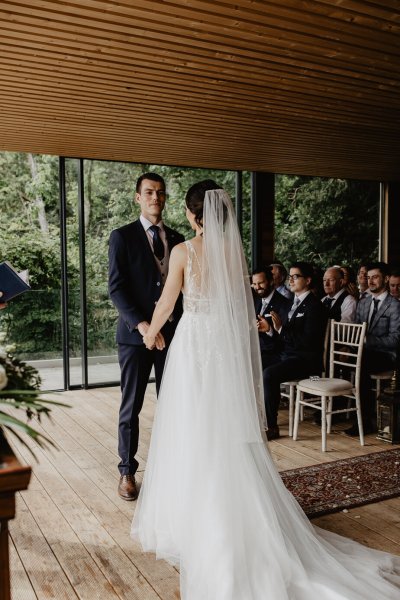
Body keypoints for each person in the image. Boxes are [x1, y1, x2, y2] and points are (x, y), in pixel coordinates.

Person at [131, 181, 400, 599]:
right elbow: (242, 309)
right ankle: (233, 513)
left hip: (195, 344)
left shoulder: (185, 251)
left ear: (191, 214)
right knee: (222, 429)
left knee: (191, 426)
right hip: (222, 346)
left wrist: (149, 337)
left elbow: (167, 305)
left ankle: (195, 522)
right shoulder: (233, 253)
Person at [108, 172, 185, 501]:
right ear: (138, 198)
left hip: (172, 337)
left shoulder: (180, 239)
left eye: (160, 192)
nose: (156, 197)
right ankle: (127, 470)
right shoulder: (122, 237)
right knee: (132, 406)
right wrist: (143, 327)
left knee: (174, 403)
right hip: (135, 337)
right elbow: (116, 288)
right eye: (149, 192)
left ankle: (173, 468)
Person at [262, 261, 328, 440]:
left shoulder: (315, 306)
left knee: (269, 374)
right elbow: (283, 334)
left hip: (305, 360)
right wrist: (270, 328)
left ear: (307, 280)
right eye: (290, 276)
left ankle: (272, 426)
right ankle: (256, 418)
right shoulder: (293, 302)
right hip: (288, 355)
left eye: (295, 276)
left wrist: (281, 329)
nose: (290, 280)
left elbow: (308, 341)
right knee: (254, 361)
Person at [345, 262, 400, 436]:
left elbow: (395, 339)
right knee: (345, 359)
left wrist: (368, 340)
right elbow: (356, 329)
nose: (370, 281)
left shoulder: (395, 305)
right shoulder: (363, 302)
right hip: (364, 352)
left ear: (385, 278)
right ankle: (341, 410)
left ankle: (363, 421)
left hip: (387, 355)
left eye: (375, 277)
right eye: (368, 278)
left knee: (361, 363)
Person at [251, 265, 290, 367]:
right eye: (254, 284)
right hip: (256, 351)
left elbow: (284, 342)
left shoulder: (284, 304)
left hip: (275, 354)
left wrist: (269, 330)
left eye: (260, 283)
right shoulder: (256, 301)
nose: (257, 287)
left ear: (271, 281)